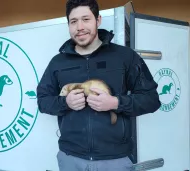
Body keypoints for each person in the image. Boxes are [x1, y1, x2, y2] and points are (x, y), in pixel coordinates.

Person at [36, 0, 161, 170]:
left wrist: (116, 103)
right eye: (73, 21)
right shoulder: (57, 63)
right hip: (70, 159)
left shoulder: (125, 57)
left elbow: (151, 99)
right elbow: (43, 101)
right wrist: (66, 103)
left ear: (98, 20)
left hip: (115, 160)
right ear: (69, 25)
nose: (79, 27)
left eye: (86, 19)